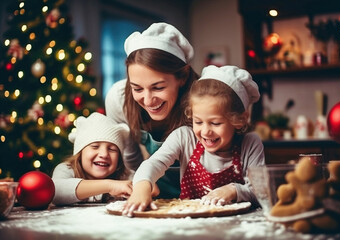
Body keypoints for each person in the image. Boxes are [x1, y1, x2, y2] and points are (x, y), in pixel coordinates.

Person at [122, 65, 265, 216]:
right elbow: (154, 163)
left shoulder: (250, 143)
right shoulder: (184, 137)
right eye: (198, 122)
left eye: (215, 123)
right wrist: (142, 187)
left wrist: (233, 190)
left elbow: (261, 191)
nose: (205, 131)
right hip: (189, 221)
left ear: (240, 120)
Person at [105, 22, 199, 198]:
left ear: (183, 77)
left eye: (158, 87)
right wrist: (144, 184)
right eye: (137, 89)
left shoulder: (203, 100)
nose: (147, 100)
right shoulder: (119, 99)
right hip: (153, 190)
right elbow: (131, 158)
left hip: (205, 194)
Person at [52, 112, 133, 205]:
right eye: (95, 146)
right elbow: (55, 191)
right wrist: (110, 186)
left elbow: (147, 186)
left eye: (112, 149)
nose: (104, 154)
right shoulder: (66, 169)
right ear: (80, 152)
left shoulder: (124, 176)